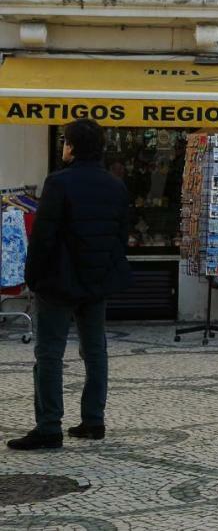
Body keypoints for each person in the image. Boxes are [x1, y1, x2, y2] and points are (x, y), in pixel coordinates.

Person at [8, 118, 131, 450]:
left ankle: (49, 427)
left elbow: (43, 237)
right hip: (96, 283)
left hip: (59, 283)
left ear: (72, 147)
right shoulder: (116, 185)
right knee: (95, 352)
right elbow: (121, 238)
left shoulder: (58, 183)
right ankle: (94, 421)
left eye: (65, 140)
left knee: (49, 353)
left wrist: (32, 277)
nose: (63, 145)